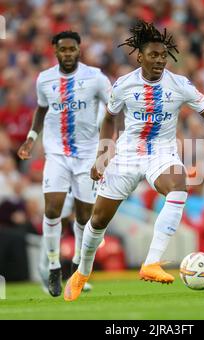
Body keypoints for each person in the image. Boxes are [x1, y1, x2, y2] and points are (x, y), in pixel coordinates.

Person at [64, 21, 204, 302]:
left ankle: (151, 263)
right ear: (140, 57)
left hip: (161, 152)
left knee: (179, 186)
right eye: (153, 55)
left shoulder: (180, 85)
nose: (160, 60)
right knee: (98, 220)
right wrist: (102, 155)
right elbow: (110, 118)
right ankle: (82, 273)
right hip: (126, 154)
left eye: (163, 56)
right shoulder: (123, 85)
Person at [18, 31, 111, 297]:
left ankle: (77, 267)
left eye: (72, 49)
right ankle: (54, 266)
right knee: (52, 209)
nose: (68, 54)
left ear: (79, 50)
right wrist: (30, 139)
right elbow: (41, 109)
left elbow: (113, 107)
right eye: (63, 49)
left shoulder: (95, 78)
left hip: (87, 155)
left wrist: (109, 143)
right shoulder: (45, 79)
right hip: (57, 153)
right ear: (55, 51)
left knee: (84, 217)